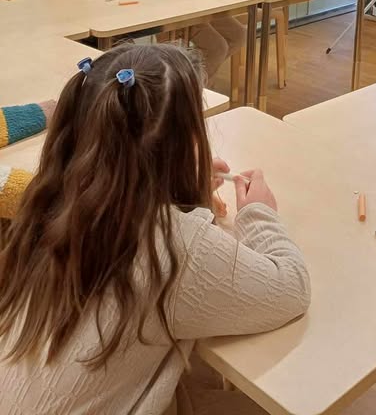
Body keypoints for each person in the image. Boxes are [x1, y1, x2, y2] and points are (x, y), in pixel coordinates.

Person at [0, 44, 311, 414]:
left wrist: (184, 194)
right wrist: (259, 214)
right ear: (185, 142)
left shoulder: (48, 197)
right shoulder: (172, 243)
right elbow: (290, 288)